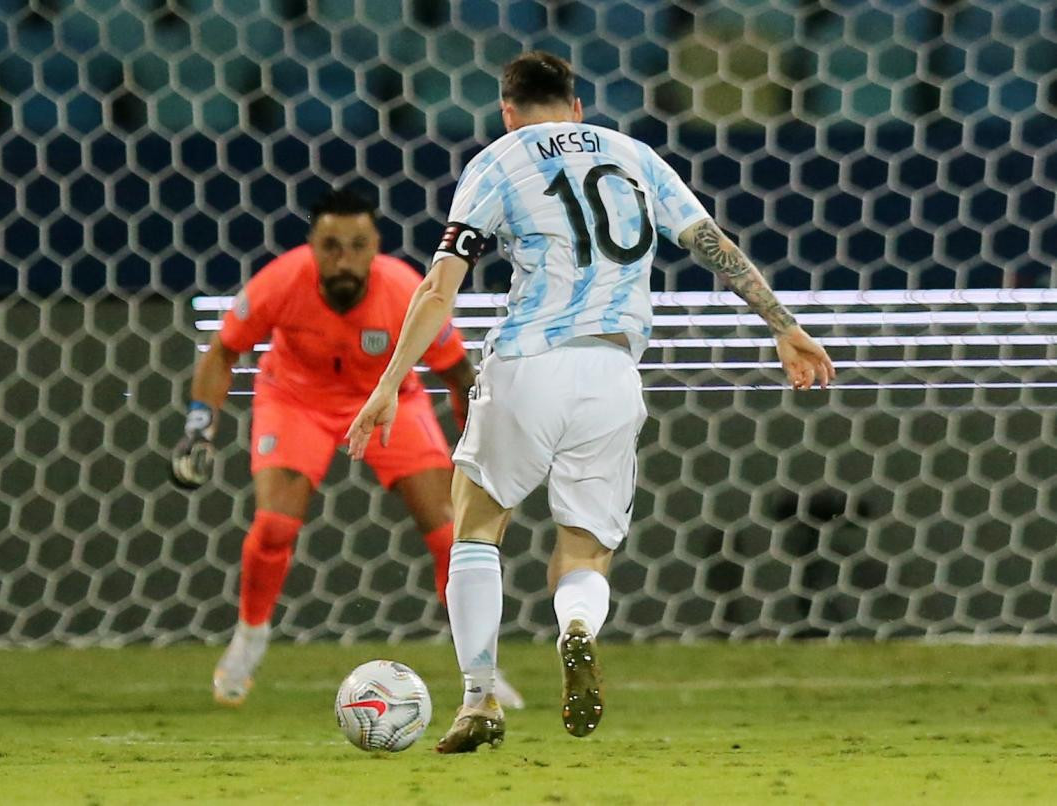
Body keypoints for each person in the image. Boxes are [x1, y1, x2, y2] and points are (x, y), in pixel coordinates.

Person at [346, 52, 835, 752]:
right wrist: (784, 326)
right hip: (612, 372)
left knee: (478, 529)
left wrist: (389, 385)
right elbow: (711, 245)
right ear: (577, 107)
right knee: (585, 549)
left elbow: (437, 288)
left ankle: (479, 699)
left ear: (508, 111)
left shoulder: (500, 159)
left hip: (527, 364)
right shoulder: (634, 155)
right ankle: (576, 627)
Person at [171, 188, 526, 709]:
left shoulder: (405, 288)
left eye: (357, 245)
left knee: (453, 535)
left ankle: (480, 670)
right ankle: (250, 638)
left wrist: (482, 440)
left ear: (375, 245)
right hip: (296, 400)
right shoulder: (283, 280)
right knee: (274, 525)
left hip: (389, 398)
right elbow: (224, 349)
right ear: (312, 246)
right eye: (330, 246)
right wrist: (199, 426)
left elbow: (454, 371)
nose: (344, 258)